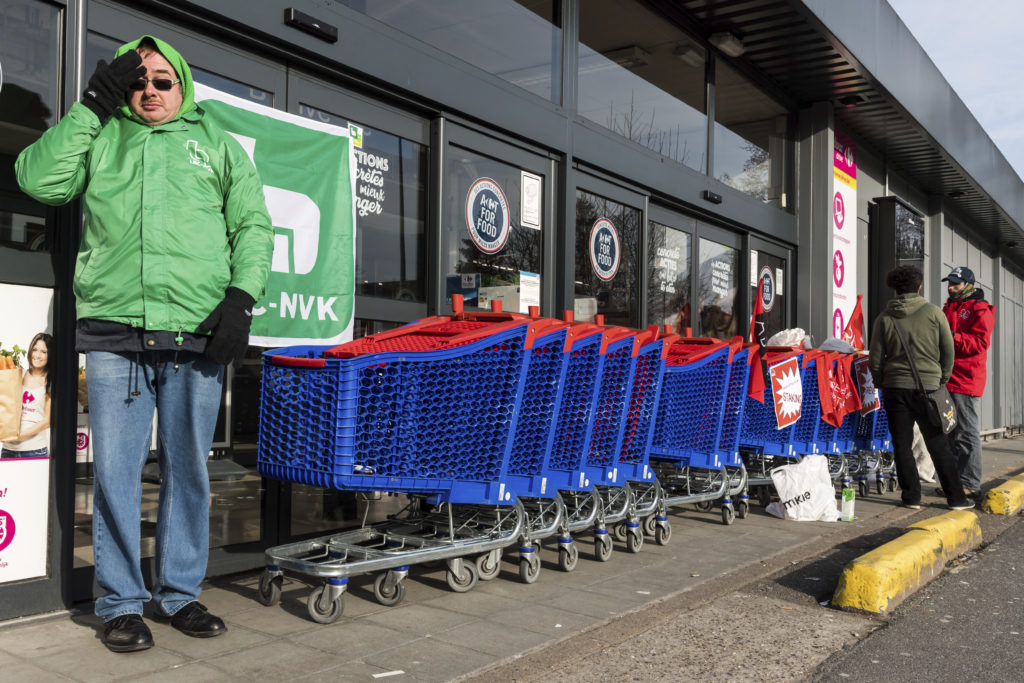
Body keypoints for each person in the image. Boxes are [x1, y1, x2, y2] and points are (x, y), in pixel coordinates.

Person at [15, 36, 274, 653]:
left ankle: (180, 593)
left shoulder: (217, 144)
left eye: (163, 80)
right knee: (115, 475)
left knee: (188, 473)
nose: (150, 91)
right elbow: (37, 181)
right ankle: (121, 603)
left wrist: (241, 299)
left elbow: (253, 225)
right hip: (116, 336)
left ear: (182, 84)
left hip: (197, 334)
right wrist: (91, 109)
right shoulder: (103, 136)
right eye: (138, 81)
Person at [868, 265, 973, 511]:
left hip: (895, 389)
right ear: (919, 287)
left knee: (901, 444)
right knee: (938, 443)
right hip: (929, 388)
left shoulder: (884, 318)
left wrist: (883, 382)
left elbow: (875, 359)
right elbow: (948, 351)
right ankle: (956, 498)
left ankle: (911, 497)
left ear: (896, 289)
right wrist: (942, 378)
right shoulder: (934, 313)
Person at [940, 266, 995, 496]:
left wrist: (952, 337)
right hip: (948, 377)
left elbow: (980, 343)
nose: (951, 287)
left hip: (967, 379)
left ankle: (970, 484)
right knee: (951, 433)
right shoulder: (949, 306)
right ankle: (955, 484)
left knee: (966, 432)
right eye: (949, 283)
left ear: (968, 285)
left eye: (956, 283)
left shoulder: (980, 308)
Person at [0, 332, 53, 458]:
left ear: (50, 355)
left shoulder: (50, 381)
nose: (37, 355)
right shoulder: (18, 375)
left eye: (43, 352)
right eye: (35, 350)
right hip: (8, 449)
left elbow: (47, 421)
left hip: (34, 450)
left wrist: (18, 435)